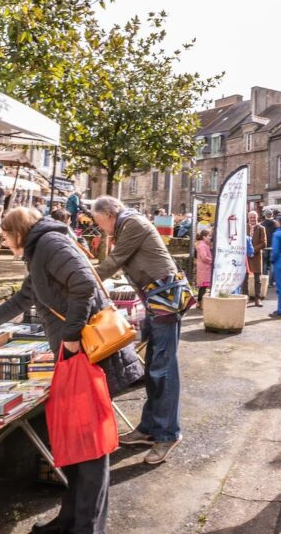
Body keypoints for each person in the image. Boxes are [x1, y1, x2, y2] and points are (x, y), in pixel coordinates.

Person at [0, 208, 139, 534]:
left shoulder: (50, 244)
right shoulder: (39, 250)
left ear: (17, 232)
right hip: (77, 356)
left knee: (91, 447)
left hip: (89, 355)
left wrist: (69, 337)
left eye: (4, 236)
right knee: (76, 442)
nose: (3, 241)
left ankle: (88, 527)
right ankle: (69, 521)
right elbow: (26, 296)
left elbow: (83, 286)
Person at [91, 196, 187, 465]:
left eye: (101, 223)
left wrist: (84, 278)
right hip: (156, 297)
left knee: (163, 368)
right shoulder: (126, 224)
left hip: (164, 297)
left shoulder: (131, 223)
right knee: (155, 366)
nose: (103, 229)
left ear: (110, 214)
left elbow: (114, 262)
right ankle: (149, 429)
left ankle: (168, 434)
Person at [247, 211, 267, 307]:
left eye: (254, 217)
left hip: (256, 256)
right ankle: (245, 297)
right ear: (248, 218)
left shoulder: (261, 228)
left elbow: (264, 243)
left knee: (257, 279)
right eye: (250, 217)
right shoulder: (244, 228)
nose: (252, 219)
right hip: (246, 256)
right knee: (244, 278)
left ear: (257, 218)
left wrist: (253, 250)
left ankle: (257, 299)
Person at [194, 229, 213, 306]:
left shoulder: (203, 245)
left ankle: (200, 302)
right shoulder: (202, 245)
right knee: (203, 286)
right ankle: (200, 302)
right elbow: (204, 257)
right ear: (204, 237)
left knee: (204, 286)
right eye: (209, 236)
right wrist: (212, 260)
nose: (210, 237)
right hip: (204, 269)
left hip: (205, 268)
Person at [261, 209, 278, 275]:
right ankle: (271, 282)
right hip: (273, 246)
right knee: (272, 264)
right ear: (272, 215)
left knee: (264, 263)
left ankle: (265, 280)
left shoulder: (262, 224)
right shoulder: (276, 223)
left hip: (265, 246)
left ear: (265, 215)